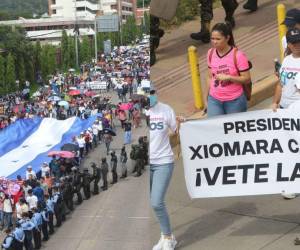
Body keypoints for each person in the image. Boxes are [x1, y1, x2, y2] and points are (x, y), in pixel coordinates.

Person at [149, 88, 178, 250]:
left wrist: (181, 123)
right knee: (153, 203)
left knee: (157, 202)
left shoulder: (166, 110)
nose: (151, 95)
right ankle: (164, 235)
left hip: (163, 162)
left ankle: (168, 238)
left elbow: (176, 130)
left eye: (152, 92)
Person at [204, 23, 251, 117]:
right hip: (214, 100)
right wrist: (206, 98)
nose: (214, 42)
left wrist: (229, 78)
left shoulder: (238, 55)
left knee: (234, 130)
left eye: (218, 39)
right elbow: (210, 77)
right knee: (215, 128)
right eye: (212, 39)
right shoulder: (210, 53)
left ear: (227, 38)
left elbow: (246, 78)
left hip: (235, 101)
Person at [272, 28, 300, 112]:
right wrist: (275, 102)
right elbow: (281, 84)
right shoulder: (286, 60)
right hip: (283, 108)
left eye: (299, 41)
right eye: (294, 43)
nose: (297, 45)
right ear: (288, 44)